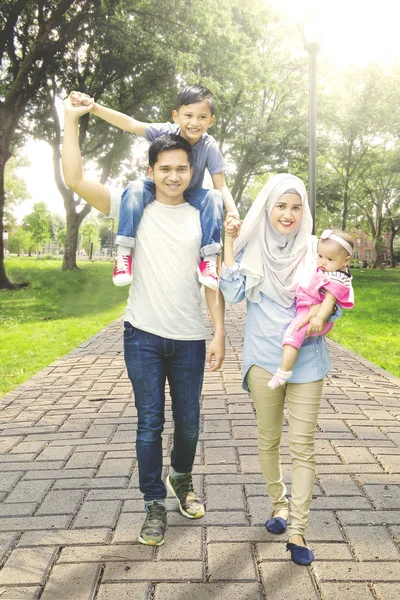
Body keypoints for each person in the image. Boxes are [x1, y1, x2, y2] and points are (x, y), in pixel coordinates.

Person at [62, 97, 226, 547]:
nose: (173, 176)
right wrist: (71, 121)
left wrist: (220, 331)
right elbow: (74, 178)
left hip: (190, 338)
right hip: (143, 337)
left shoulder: (202, 212)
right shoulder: (131, 203)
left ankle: (181, 479)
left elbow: (211, 281)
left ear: (192, 171)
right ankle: (154, 502)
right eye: (164, 168)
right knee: (149, 423)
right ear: (151, 170)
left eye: (182, 169)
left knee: (189, 424)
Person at [220, 173, 342, 566]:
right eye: (281, 206)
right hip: (262, 358)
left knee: (302, 446)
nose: (288, 214)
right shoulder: (251, 247)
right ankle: (279, 506)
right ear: (268, 208)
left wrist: (328, 315)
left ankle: (299, 530)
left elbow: (337, 289)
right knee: (268, 438)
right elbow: (232, 292)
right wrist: (227, 243)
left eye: (296, 206)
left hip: (307, 361)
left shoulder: (314, 249)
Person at [69, 85, 239, 290]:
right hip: (159, 188)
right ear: (176, 116)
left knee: (213, 197)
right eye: (189, 115)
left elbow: (220, 185)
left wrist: (233, 212)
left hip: (191, 191)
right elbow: (130, 124)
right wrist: (94, 108)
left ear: (211, 121)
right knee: (134, 188)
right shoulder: (166, 131)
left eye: (202, 117)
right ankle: (123, 255)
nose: (195, 123)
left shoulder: (209, 145)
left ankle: (209, 260)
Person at [268, 228, 354, 389]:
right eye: (320, 256)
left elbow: (329, 301)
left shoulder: (338, 279)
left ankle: (284, 371)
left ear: (345, 261)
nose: (322, 262)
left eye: (329, 259)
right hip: (307, 308)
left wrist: (319, 318)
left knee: (292, 336)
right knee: (293, 335)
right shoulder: (328, 269)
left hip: (312, 314)